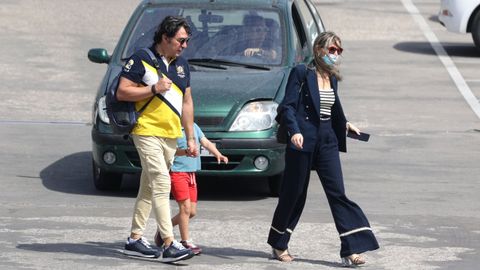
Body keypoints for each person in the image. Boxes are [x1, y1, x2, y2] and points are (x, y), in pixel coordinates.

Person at [267, 31, 379, 266]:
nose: (335, 55)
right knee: (294, 193)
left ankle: (351, 248)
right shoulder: (301, 72)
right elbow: (287, 107)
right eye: (332, 50)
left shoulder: (332, 76)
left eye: (339, 51)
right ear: (319, 50)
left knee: (338, 193)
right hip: (303, 139)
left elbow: (332, 107)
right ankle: (279, 243)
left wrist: (346, 124)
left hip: (327, 140)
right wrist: (294, 131)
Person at [117, 15, 198, 262]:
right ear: (165, 37)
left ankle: (134, 239)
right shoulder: (142, 59)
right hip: (146, 130)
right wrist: (153, 88)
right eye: (180, 40)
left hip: (171, 135)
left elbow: (187, 102)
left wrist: (191, 137)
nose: (184, 45)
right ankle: (169, 243)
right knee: (162, 183)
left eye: (187, 41)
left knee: (149, 186)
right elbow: (122, 91)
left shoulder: (182, 65)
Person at [154, 123, 229, 255]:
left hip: (191, 174)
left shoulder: (193, 126)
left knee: (192, 212)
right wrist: (186, 152)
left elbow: (205, 142)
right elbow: (169, 151)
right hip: (177, 173)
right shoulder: (172, 126)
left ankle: (163, 230)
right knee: (185, 209)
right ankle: (185, 241)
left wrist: (218, 154)